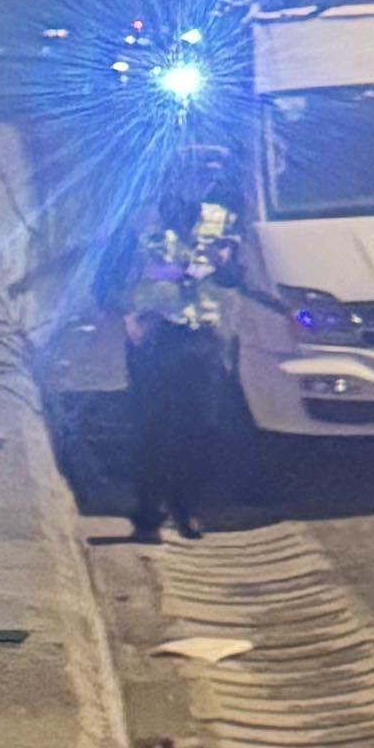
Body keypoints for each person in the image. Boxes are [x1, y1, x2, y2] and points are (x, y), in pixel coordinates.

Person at [120, 154, 244, 544]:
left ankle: (185, 506)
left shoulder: (221, 220)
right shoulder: (142, 220)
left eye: (211, 177)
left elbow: (234, 278)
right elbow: (109, 276)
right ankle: (148, 514)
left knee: (201, 425)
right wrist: (128, 314)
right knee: (153, 426)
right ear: (175, 177)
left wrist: (225, 262)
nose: (205, 183)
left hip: (201, 334)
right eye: (198, 175)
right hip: (155, 332)